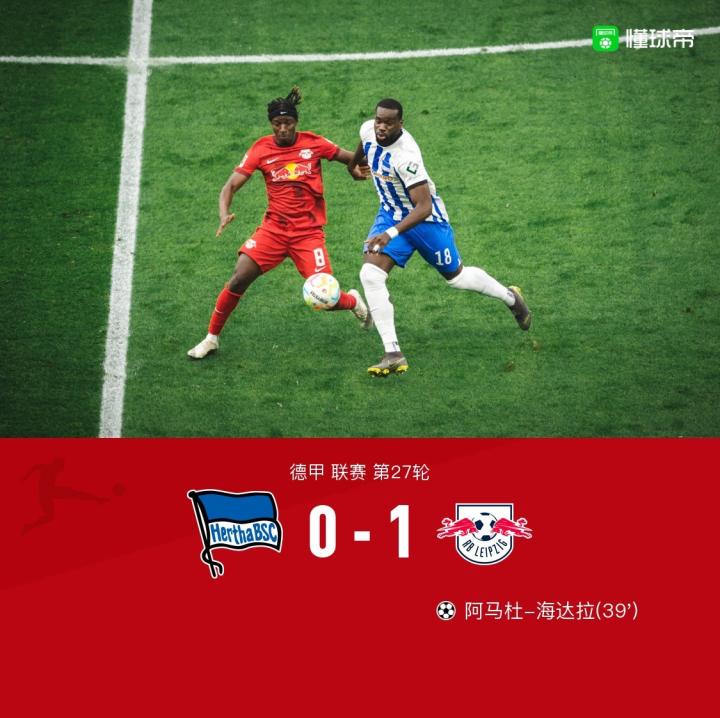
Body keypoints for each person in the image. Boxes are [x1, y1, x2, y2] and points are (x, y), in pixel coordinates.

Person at [347, 98, 531, 376]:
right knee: (370, 275)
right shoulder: (368, 130)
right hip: (390, 214)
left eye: (389, 123)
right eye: (379, 120)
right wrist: (352, 165)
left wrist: (390, 233)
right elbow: (363, 144)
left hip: (425, 222)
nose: (381, 127)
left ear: (401, 124)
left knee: (457, 278)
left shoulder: (406, 157)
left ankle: (511, 298)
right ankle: (393, 353)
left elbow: (424, 207)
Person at [188, 86, 372, 360]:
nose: (283, 128)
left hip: (308, 234)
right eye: (277, 123)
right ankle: (211, 338)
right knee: (238, 279)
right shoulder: (261, 149)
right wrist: (224, 213)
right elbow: (230, 186)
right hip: (273, 231)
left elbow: (350, 157)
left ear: (296, 122)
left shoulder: (314, 143)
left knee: (326, 297)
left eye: (288, 122)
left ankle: (353, 301)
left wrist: (354, 168)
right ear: (271, 124)